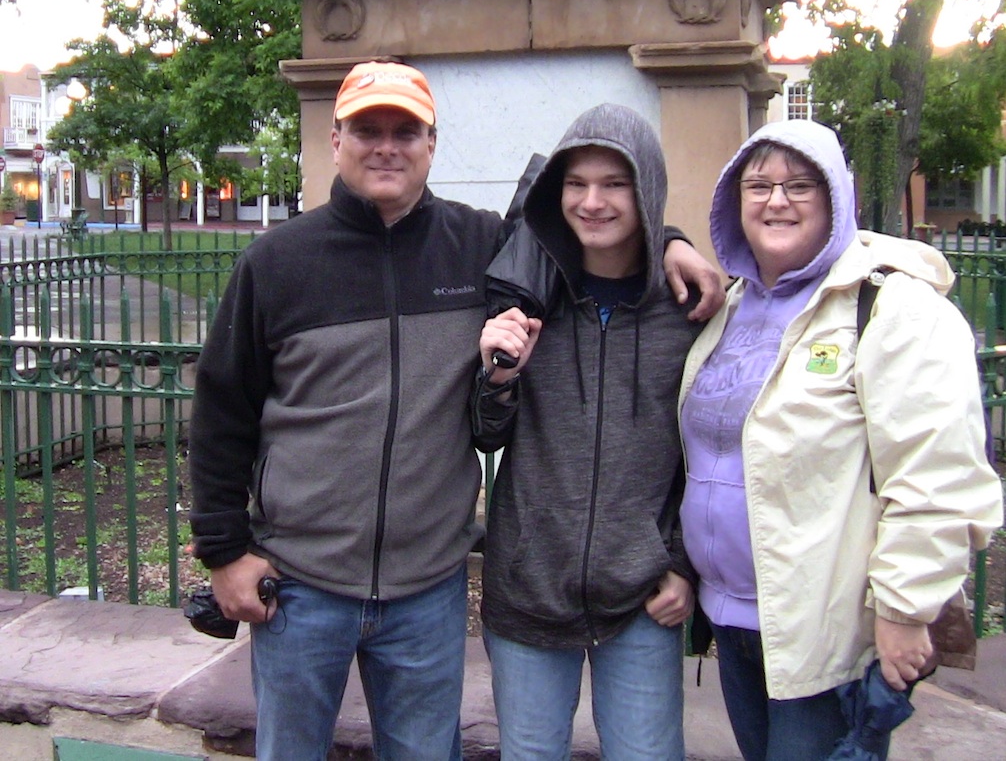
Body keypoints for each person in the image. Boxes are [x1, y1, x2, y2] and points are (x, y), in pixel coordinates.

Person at [187, 61, 723, 761]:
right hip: (301, 583)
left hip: (427, 591)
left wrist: (670, 238)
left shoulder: (478, 246)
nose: (387, 147)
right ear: (335, 140)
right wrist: (225, 552)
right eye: (368, 131)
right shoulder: (276, 261)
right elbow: (222, 412)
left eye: (405, 132)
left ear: (431, 145)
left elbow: (586, 225)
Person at [677, 118, 1004, 761]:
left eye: (800, 185)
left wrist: (905, 609)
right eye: (758, 185)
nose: (776, 201)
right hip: (734, 621)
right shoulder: (734, 307)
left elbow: (936, 474)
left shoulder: (891, 307)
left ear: (836, 197)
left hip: (826, 634)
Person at [472, 103, 701, 760]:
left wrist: (683, 564)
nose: (592, 202)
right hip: (529, 590)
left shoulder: (687, 312)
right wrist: (497, 378)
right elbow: (485, 436)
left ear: (646, 190)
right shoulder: (526, 297)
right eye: (576, 184)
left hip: (642, 595)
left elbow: (708, 456)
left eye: (614, 184)